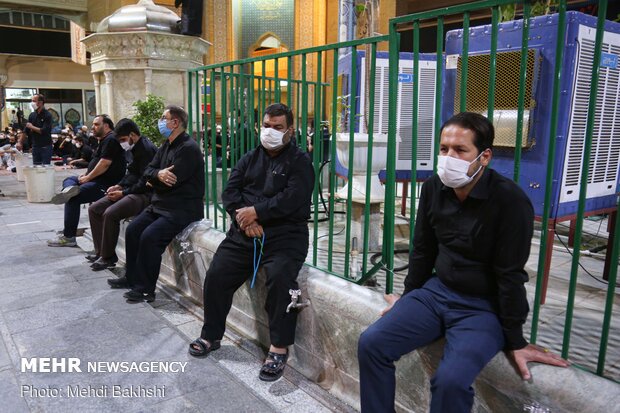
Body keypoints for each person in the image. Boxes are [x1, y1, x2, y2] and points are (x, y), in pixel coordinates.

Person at [357, 112, 569, 413]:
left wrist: (515, 339)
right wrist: (409, 297)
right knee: (372, 343)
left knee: (451, 381)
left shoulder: (510, 201)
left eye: (460, 150)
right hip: (435, 294)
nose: (448, 157)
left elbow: (510, 274)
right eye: (444, 149)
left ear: (484, 157)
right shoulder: (433, 188)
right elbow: (423, 249)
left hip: (482, 307)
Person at [188, 103, 314, 382]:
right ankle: (211, 335)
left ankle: (278, 349)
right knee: (217, 275)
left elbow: (294, 198)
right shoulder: (249, 158)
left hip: (285, 236)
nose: (270, 131)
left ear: (289, 131)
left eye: (278, 127)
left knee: (282, 280)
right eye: (267, 125)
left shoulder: (300, 161)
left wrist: (258, 211)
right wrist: (245, 219)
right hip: (245, 232)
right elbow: (230, 193)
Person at [117, 105, 204, 302]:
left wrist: (154, 180)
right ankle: (131, 277)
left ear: (175, 122)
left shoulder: (189, 148)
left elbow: (173, 181)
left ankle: (145, 289)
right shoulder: (166, 145)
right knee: (133, 230)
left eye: (164, 118)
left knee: (149, 237)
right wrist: (157, 174)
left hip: (181, 208)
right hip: (161, 204)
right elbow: (149, 170)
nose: (160, 122)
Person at [88, 118, 157, 271]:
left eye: (123, 140)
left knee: (110, 213)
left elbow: (145, 181)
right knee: (94, 209)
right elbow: (131, 172)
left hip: (144, 194)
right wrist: (118, 185)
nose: (122, 144)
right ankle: (100, 252)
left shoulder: (146, 149)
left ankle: (108, 257)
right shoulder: (132, 148)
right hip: (129, 190)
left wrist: (123, 192)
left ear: (133, 135)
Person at [47, 115, 126, 247]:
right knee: (69, 179)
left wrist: (88, 178)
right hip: (93, 180)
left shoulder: (111, 139)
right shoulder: (104, 140)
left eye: (96, 124)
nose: (93, 128)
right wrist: (86, 175)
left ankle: (69, 237)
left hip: (104, 185)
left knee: (73, 199)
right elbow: (96, 162)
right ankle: (69, 190)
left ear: (106, 126)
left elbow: (104, 163)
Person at [25, 94, 53, 165]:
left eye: (34, 101)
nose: (32, 103)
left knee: (45, 169)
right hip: (35, 146)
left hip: (45, 146)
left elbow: (44, 131)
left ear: (40, 102)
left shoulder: (47, 115)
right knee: (36, 168)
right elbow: (26, 130)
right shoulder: (32, 115)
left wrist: (32, 127)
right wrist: (20, 142)